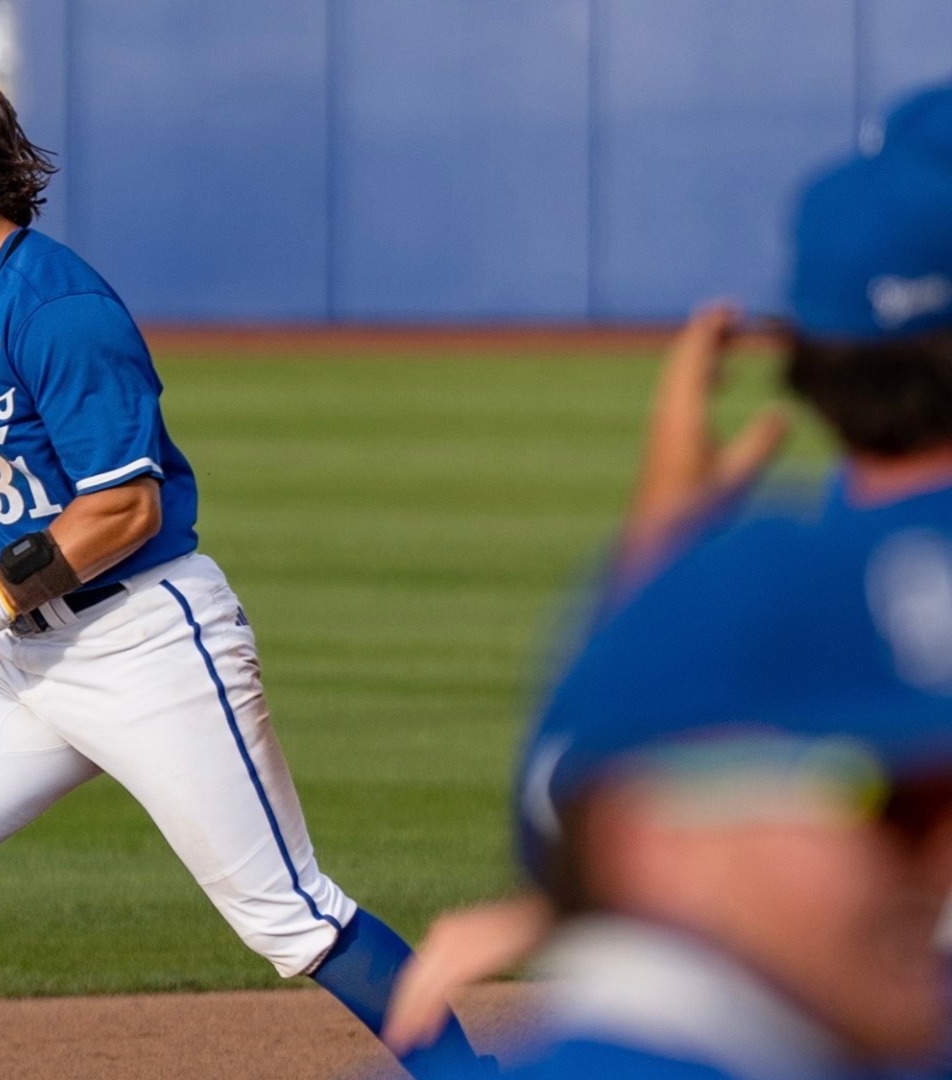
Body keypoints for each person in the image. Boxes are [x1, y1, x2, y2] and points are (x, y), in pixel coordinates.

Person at [0, 50, 489, 1080]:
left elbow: (128, 505)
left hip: (148, 641)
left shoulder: (54, 305)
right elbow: (20, 505)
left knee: (289, 915)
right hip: (34, 656)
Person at [383, 105, 952, 1079]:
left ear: (804, 361)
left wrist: (668, 550)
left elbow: (586, 785)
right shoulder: (806, 580)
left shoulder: (758, 587)